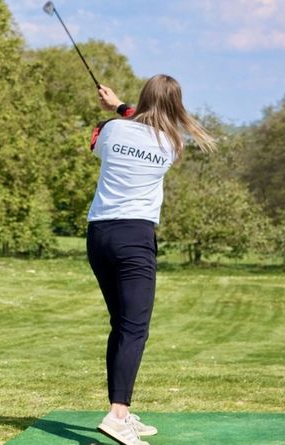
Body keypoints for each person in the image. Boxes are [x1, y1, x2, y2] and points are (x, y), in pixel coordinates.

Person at [87, 76, 215, 445]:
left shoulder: (109, 131)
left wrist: (115, 110)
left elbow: (99, 140)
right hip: (134, 239)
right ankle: (117, 415)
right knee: (134, 327)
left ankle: (121, 410)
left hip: (98, 236)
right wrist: (120, 106)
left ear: (142, 99)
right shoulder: (172, 144)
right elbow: (146, 121)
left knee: (121, 324)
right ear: (176, 106)